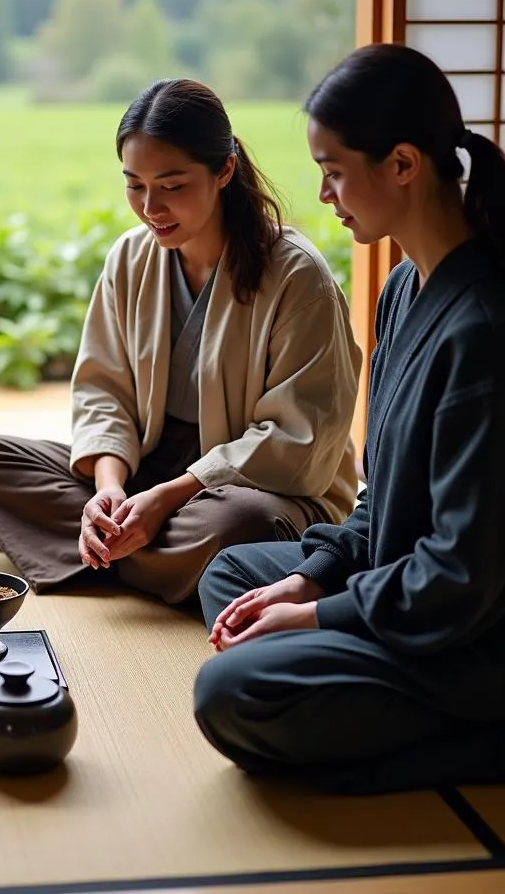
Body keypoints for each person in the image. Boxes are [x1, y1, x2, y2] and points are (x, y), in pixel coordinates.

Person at [195, 43, 505, 794]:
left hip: (465, 635)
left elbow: (462, 574)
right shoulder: (403, 289)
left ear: (403, 164)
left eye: (334, 170)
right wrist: (311, 581)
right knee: (236, 574)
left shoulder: (484, 329)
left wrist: (318, 618)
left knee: (231, 692)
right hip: (400, 582)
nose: (326, 194)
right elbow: (378, 500)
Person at [0, 79, 361, 603]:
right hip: (145, 471)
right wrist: (109, 489)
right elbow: (103, 392)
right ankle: (144, 554)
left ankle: (99, 555)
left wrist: (171, 497)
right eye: (134, 185)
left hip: (244, 489)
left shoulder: (296, 275)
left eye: (172, 186)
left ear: (224, 171)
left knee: (242, 523)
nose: (151, 207)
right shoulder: (130, 257)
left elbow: (300, 439)